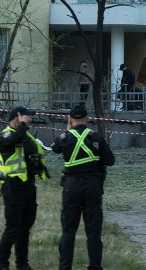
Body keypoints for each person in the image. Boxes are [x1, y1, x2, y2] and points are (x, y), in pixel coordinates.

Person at [51, 105, 115, 270]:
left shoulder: (64, 138)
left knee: (68, 230)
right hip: (92, 186)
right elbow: (110, 160)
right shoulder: (96, 137)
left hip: (71, 186)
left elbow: (55, 149)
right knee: (93, 230)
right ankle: (94, 266)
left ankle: (65, 267)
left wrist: (68, 130)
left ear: (70, 120)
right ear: (87, 119)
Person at [0, 106, 49, 270]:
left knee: (25, 228)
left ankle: (22, 263)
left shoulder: (27, 137)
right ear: (17, 117)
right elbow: (14, 139)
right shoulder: (6, 135)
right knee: (12, 228)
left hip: (28, 187)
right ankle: (2, 264)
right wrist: (22, 125)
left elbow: (35, 155)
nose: (30, 119)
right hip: (13, 187)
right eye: (27, 116)